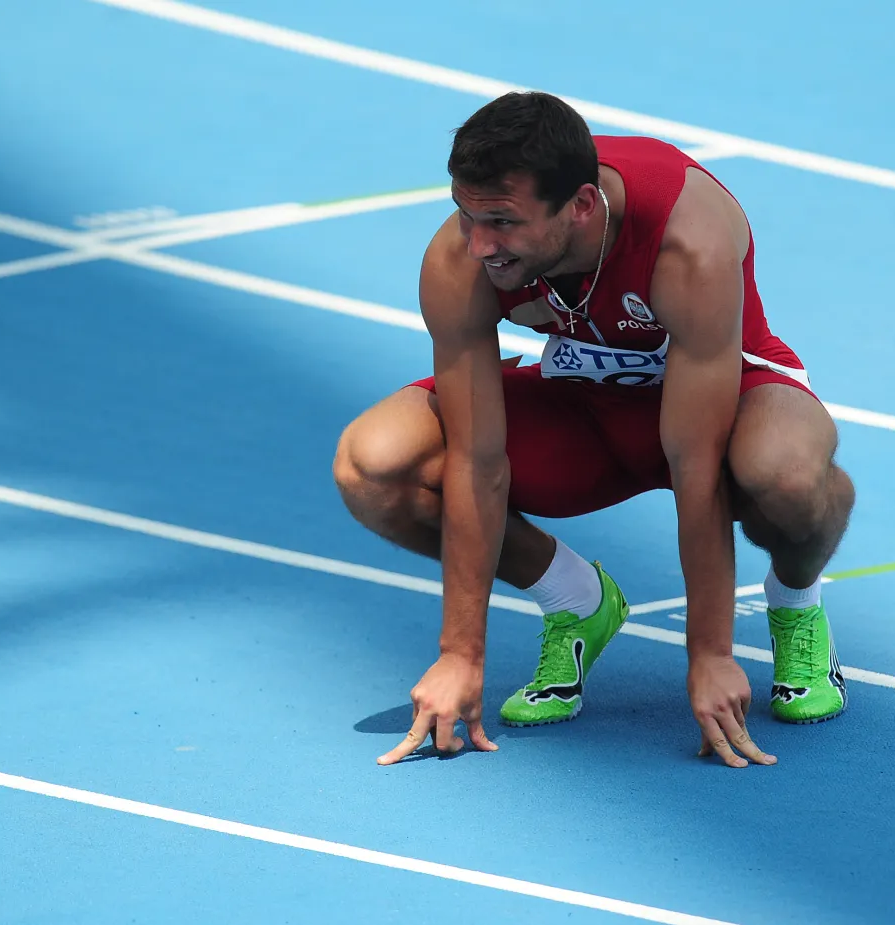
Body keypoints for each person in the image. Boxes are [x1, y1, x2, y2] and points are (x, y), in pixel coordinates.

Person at [332, 91, 855, 769]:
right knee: (373, 463)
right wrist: (460, 654)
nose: (479, 243)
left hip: (725, 412)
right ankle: (576, 600)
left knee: (784, 473)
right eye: (466, 214)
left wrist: (712, 654)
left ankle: (796, 603)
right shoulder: (461, 259)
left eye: (502, 221)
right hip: (582, 411)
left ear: (580, 205)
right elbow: (478, 457)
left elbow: (694, 462)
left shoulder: (685, 240)